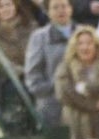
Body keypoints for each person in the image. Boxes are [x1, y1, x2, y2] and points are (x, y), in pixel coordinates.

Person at [56, 25, 99, 139]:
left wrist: (87, 88)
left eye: (89, 43)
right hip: (76, 125)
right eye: (80, 43)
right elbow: (64, 93)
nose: (85, 47)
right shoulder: (65, 66)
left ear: (96, 45)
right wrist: (93, 104)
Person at [26, 0, 77, 128]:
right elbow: (33, 77)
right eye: (55, 7)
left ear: (71, 9)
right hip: (52, 107)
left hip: (82, 106)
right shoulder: (39, 37)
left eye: (64, 6)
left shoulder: (84, 33)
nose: (61, 10)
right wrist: (56, 87)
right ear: (48, 12)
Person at [0, 0, 42, 79]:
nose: (6, 9)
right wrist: (22, 72)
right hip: (16, 80)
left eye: (8, 5)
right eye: (1, 7)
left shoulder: (31, 25)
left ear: (15, 6)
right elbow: (1, 63)